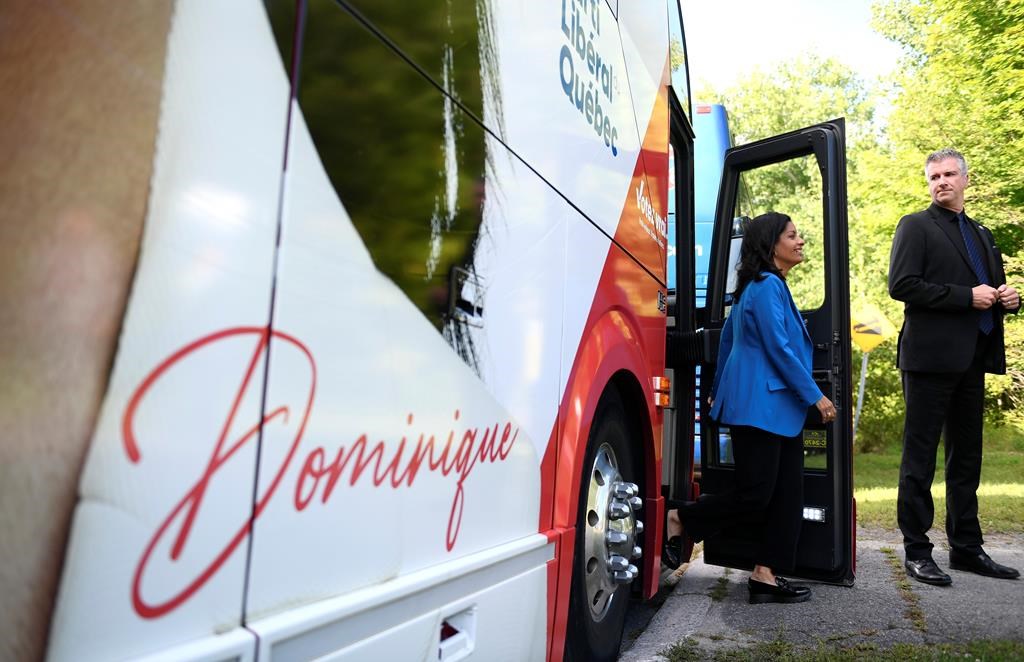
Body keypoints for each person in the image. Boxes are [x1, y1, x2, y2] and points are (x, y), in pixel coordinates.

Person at [664, 211, 836, 604]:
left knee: (787, 496)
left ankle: (765, 574)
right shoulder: (764, 287)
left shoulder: (760, 288)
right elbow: (780, 347)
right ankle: (681, 518)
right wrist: (815, 395)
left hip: (777, 409)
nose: (800, 241)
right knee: (756, 494)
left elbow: (727, 341)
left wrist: (719, 385)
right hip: (761, 408)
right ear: (772, 244)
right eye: (792, 235)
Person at [888, 148, 1020, 585]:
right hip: (928, 360)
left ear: (966, 179)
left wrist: (1007, 298)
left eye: (948, 175)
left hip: (974, 358)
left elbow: (988, 289)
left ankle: (966, 547)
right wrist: (967, 297)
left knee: (967, 458)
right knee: (919, 459)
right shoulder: (915, 226)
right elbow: (902, 285)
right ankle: (917, 550)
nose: (940, 182)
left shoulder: (981, 233)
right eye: (933, 177)